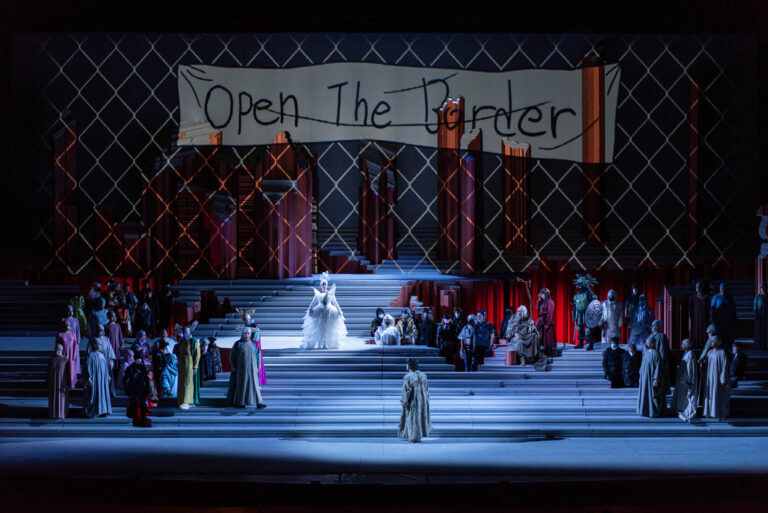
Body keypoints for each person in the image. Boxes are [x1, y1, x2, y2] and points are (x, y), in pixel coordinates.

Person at [301, 271, 347, 350]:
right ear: (320, 285)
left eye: (325, 284)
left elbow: (335, 302)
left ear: (327, 285)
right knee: (320, 327)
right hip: (320, 311)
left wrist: (339, 311)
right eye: (322, 284)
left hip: (329, 310)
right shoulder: (317, 294)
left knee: (328, 327)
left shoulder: (330, 293)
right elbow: (313, 302)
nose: (324, 285)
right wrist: (309, 310)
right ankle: (320, 343)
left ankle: (326, 343)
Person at [228, 328, 266, 408]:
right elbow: (232, 356)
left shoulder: (254, 343)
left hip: (252, 369)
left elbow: (259, 355)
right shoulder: (237, 344)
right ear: (242, 334)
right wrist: (234, 367)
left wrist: (258, 366)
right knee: (242, 385)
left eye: (248, 333)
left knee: (255, 385)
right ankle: (241, 402)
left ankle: (259, 402)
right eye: (245, 333)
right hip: (241, 369)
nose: (247, 335)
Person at [398, 357, 431, 443]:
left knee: (412, 417)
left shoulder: (409, 377)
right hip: (422, 400)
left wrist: (404, 401)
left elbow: (406, 390)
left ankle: (413, 436)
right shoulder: (423, 375)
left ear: (409, 366)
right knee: (419, 416)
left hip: (413, 400)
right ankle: (417, 435)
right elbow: (426, 388)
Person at [670, 339, 698, 422]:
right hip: (682, 378)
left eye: (683, 344)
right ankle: (680, 409)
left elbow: (690, 368)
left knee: (686, 396)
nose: (681, 345)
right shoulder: (686, 354)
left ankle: (685, 411)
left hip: (685, 379)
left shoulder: (690, 354)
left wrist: (688, 379)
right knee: (682, 395)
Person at [83, 338, 112, 418]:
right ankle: (94, 411)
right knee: (94, 394)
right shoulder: (90, 356)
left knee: (103, 393)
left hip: (102, 379)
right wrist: (89, 379)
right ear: (95, 345)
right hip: (95, 379)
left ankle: (103, 410)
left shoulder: (102, 355)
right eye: (99, 344)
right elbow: (87, 368)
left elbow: (106, 368)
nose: (101, 346)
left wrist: (108, 377)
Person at [703, 336, 730, 421]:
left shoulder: (722, 353)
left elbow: (725, 366)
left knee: (718, 395)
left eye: (713, 341)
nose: (711, 343)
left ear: (718, 342)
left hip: (718, 377)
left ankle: (720, 413)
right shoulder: (709, 352)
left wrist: (723, 378)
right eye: (711, 341)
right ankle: (710, 412)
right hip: (709, 377)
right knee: (710, 395)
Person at [123, 349, 151, 427]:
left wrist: (148, 388)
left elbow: (147, 379)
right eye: (137, 358)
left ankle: (141, 419)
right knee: (134, 405)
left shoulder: (143, 368)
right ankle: (135, 419)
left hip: (141, 388)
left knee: (141, 405)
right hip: (134, 389)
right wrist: (126, 388)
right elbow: (125, 378)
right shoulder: (131, 368)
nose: (139, 360)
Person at [637, 336, 664, 418]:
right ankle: (644, 410)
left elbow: (658, 367)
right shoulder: (646, 353)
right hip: (644, 377)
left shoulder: (656, 354)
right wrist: (640, 375)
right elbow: (642, 365)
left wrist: (656, 378)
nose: (646, 344)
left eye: (648, 343)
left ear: (652, 344)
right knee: (644, 393)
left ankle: (653, 411)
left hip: (651, 377)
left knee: (652, 394)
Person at [176, 327, 200, 409]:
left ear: (189, 332)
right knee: (181, 382)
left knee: (187, 382)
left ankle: (187, 401)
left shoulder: (193, 341)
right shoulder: (182, 341)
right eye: (184, 332)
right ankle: (181, 400)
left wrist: (195, 367)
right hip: (182, 364)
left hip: (189, 363)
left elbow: (197, 355)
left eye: (186, 332)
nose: (185, 334)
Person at [572, 274, 598, 348]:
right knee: (579, 327)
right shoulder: (577, 294)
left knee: (588, 329)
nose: (579, 285)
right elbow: (575, 304)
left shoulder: (589, 293)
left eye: (581, 283)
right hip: (579, 313)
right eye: (578, 284)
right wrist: (574, 312)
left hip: (588, 312)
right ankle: (580, 343)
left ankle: (590, 344)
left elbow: (595, 304)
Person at [90, 325, 116, 397]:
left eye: (102, 330)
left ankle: (110, 393)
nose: (101, 332)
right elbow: (89, 352)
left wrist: (111, 360)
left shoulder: (106, 339)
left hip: (106, 361)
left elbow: (110, 350)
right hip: (98, 363)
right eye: (100, 330)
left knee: (108, 379)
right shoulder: (93, 340)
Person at [711, 283, 737, 350]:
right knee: (720, 332)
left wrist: (734, 316)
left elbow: (733, 307)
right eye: (722, 288)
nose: (723, 290)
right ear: (720, 289)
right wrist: (712, 317)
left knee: (727, 332)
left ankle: (728, 345)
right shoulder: (716, 297)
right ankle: (720, 345)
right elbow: (712, 308)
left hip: (728, 319)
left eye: (724, 288)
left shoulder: (729, 297)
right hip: (719, 319)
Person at [647, 320, 671, 394]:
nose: (652, 327)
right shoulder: (650, 336)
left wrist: (661, 362)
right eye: (652, 325)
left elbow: (662, 350)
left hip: (658, 362)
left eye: (654, 325)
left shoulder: (661, 336)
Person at [47, 343, 70, 419]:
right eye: (57, 349)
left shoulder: (65, 359)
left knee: (61, 398)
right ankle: (53, 414)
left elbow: (68, 371)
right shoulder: (51, 359)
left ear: (62, 350)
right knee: (54, 397)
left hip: (62, 382)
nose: (58, 351)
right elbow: (48, 371)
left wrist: (68, 381)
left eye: (60, 349)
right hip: (53, 382)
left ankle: (61, 413)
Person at [55, 318, 80, 389]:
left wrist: (75, 354)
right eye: (66, 325)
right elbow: (57, 345)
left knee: (71, 368)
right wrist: (58, 353)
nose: (67, 327)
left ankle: (71, 383)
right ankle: (63, 383)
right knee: (63, 368)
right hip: (63, 354)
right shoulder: (60, 334)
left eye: (68, 325)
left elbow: (75, 345)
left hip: (71, 354)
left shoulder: (73, 335)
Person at [689, 281, 711, 349]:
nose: (698, 288)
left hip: (704, 318)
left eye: (699, 287)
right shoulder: (693, 298)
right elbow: (690, 309)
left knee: (704, 331)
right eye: (696, 287)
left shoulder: (707, 297)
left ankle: (704, 345)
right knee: (696, 331)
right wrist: (690, 317)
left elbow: (709, 308)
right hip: (696, 318)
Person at [536, 288, 557, 356]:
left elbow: (550, 313)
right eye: (541, 294)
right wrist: (539, 300)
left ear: (546, 294)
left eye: (542, 294)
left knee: (547, 337)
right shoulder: (543, 302)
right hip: (541, 320)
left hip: (546, 320)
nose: (541, 295)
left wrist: (547, 323)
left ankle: (548, 350)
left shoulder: (550, 302)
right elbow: (537, 308)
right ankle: (543, 350)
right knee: (542, 335)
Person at [754, 282, 768, 350]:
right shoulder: (757, 296)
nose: (763, 289)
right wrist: (756, 313)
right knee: (760, 330)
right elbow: (755, 306)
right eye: (762, 287)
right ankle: (759, 345)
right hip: (760, 315)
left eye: (764, 287)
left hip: (766, 316)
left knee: (766, 330)